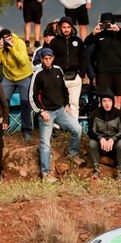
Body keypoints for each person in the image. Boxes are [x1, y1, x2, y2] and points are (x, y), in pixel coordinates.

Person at [31, 48, 82, 182]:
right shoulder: (38, 74)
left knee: (77, 129)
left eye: (50, 58)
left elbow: (64, 88)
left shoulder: (58, 70)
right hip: (47, 113)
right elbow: (31, 96)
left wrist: (66, 104)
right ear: (41, 59)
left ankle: (72, 154)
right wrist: (41, 111)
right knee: (45, 143)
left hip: (61, 110)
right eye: (45, 59)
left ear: (53, 58)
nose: (47, 61)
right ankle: (46, 173)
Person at [0, 28, 32, 141]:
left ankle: (27, 131)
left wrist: (12, 47)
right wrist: (0, 48)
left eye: (9, 37)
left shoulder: (19, 43)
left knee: (25, 103)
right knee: (3, 102)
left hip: (23, 75)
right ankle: (4, 128)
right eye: (5, 39)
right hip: (9, 77)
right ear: (1, 39)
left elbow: (23, 61)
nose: (8, 40)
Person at [87, 13, 121, 110]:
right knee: (103, 99)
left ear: (113, 23)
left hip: (118, 71)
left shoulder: (119, 35)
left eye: (109, 24)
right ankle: (103, 122)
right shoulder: (98, 35)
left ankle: (116, 121)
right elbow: (86, 43)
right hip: (102, 72)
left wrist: (118, 29)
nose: (107, 26)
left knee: (117, 99)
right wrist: (94, 32)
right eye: (104, 23)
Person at [46, 17, 89, 114]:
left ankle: (73, 127)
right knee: (59, 103)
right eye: (64, 27)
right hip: (59, 77)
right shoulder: (55, 42)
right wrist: (52, 73)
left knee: (74, 104)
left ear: (72, 28)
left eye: (68, 27)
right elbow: (49, 57)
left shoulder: (78, 41)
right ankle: (58, 128)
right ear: (60, 28)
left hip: (75, 77)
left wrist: (81, 73)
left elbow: (84, 58)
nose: (66, 29)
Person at [87, 93, 121, 178]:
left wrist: (112, 139)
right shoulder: (95, 113)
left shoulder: (118, 113)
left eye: (109, 101)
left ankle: (119, 171)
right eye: (104, 101)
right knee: (91, 143)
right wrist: (100, 139)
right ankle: (96, 169)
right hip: (100, 144)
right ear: (100, 102)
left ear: (113, 102)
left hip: (114, 144)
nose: (107, 103)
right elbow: (91, 131)